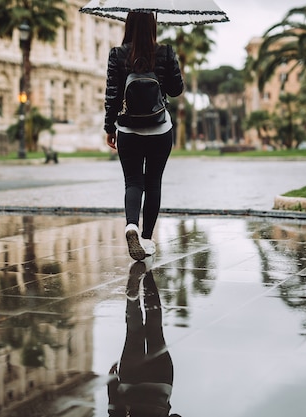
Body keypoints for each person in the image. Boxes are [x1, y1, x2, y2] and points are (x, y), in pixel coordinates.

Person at [104, 11, 184, 261]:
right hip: (160, 129)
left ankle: (131, 226)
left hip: (128, 129)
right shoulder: (166, 52)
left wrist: (109, 128)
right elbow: (176, 89)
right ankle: (147, 238)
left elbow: (113, 95)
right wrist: (168, 66)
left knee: (133, 182)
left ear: (128, 24)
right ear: (153, 25)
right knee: (153, 183)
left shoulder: (117, 54)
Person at [107, 262, 181, 417]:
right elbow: (115, 412)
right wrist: (112, 384)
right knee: (133, 333)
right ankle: (132, 298)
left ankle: (147, 271)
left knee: (155, 330)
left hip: (160, 387)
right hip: (130, 385)